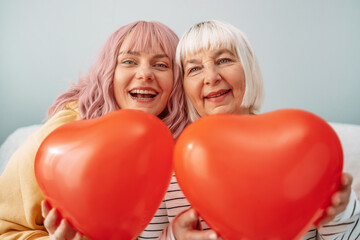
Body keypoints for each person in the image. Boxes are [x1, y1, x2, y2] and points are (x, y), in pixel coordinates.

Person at [155, 20, 360, 239]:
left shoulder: (300, 144)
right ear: (184, 86)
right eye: (195, 68)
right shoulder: (168, 169)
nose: (211, 77)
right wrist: (174, 236)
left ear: (248, 67)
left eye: (223, 60)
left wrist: (341, 213)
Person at [0, 20, 190, 239]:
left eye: (161, 65)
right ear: (109, 72)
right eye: (129, 61)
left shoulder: (179, 144)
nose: (145, 74)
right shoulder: (65, 133)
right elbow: (6, 227)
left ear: (177, 79)